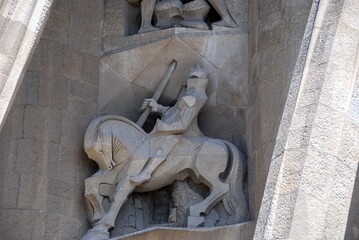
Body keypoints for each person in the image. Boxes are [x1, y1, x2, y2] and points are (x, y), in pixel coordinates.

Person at [130, 68, 209, 185]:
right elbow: (174, 112)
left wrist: (161, 127)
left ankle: (147, 172)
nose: (194, 81)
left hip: (183, 135)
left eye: (198, 77)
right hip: (170, 130)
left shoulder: (196, 98)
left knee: (168, 141)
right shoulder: (188, 95)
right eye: (192, 77)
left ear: (204, 80)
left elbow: (182, 125)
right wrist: (158, 107)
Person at [137, 0, 235, 33]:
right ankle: (145, 25)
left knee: (201, 4)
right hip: (166, 8)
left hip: (186, 10)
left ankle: (227, 18)